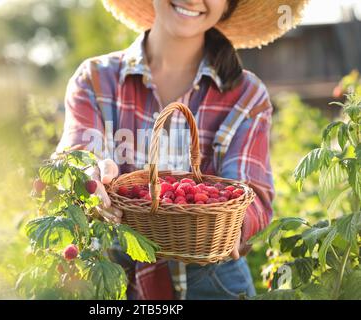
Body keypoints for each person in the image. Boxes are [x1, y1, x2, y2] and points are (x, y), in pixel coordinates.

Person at [56, 0, 309, 299]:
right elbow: (77, 157)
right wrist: (92, 178)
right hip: (115, 272)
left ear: (228, 5)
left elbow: (251, 194)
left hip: (213, 279)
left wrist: (223, 226)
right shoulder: (96, 79)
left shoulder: (247, 95)